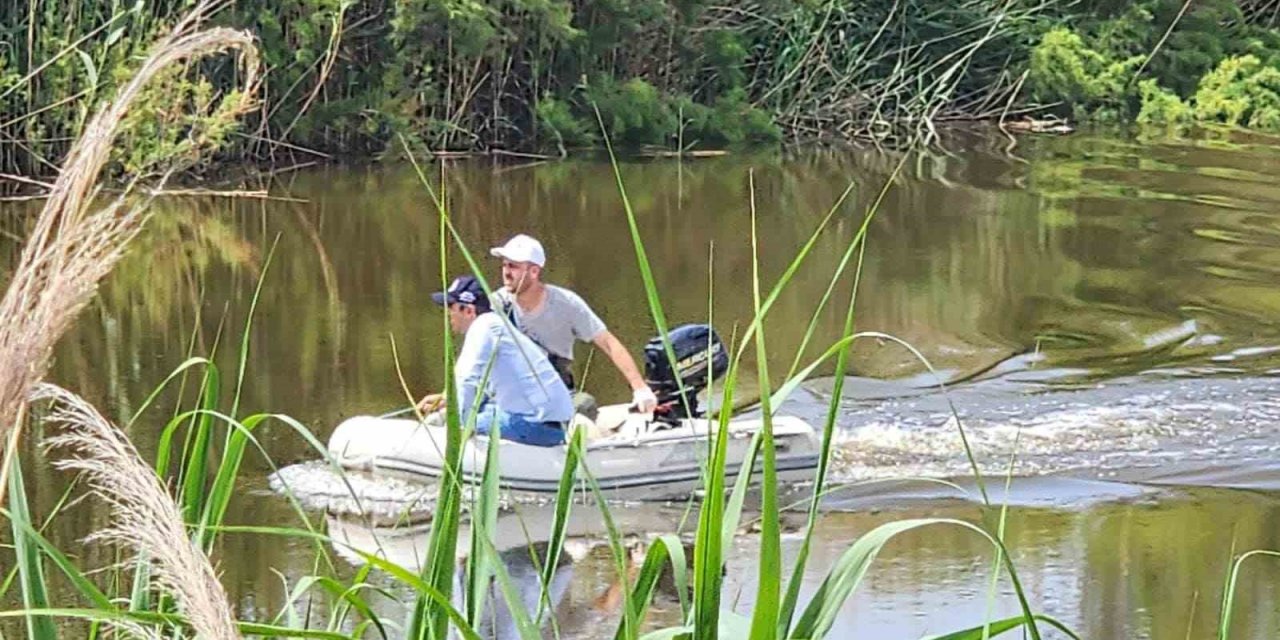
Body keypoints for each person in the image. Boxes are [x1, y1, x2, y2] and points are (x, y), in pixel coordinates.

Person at [488, 233, 659, 414]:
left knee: (585, 406)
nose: (506, 272)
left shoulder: (566, 304)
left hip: (555, 391)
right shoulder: (495, 305)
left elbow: (608, 343)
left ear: (534, 271)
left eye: (513, 266)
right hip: (510, 394)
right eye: (505, 265)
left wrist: (640, 388)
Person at [416, 274, 575, 447]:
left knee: (459, 422)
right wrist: (446, 399)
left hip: (534, 426)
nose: (448, 314)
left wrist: (459, 428)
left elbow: (467, 380)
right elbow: (483, 385)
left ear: (468, 310)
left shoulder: (483, 327)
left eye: (451, 307)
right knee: (482, 410)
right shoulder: (497, 326)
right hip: (551, 424)